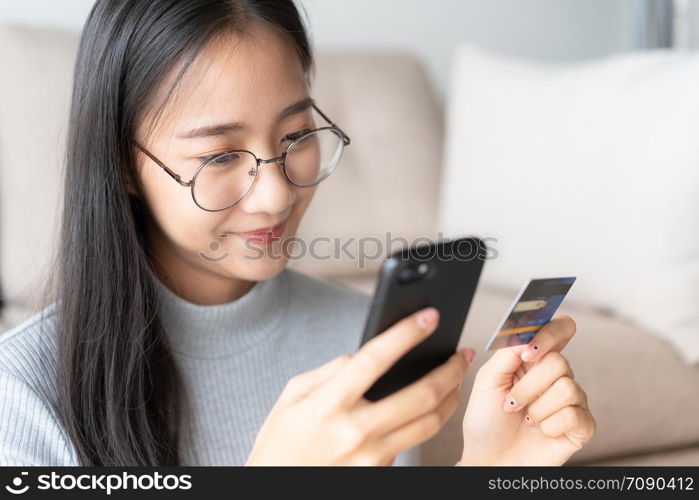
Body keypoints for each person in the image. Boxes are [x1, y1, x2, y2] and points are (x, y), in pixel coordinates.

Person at [0, 0, 595, 466]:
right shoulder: (22, 393)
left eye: (295, 137)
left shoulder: (359, 339)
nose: (278, 194)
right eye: (220, 157)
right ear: (124, 166)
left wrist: (490, 469)